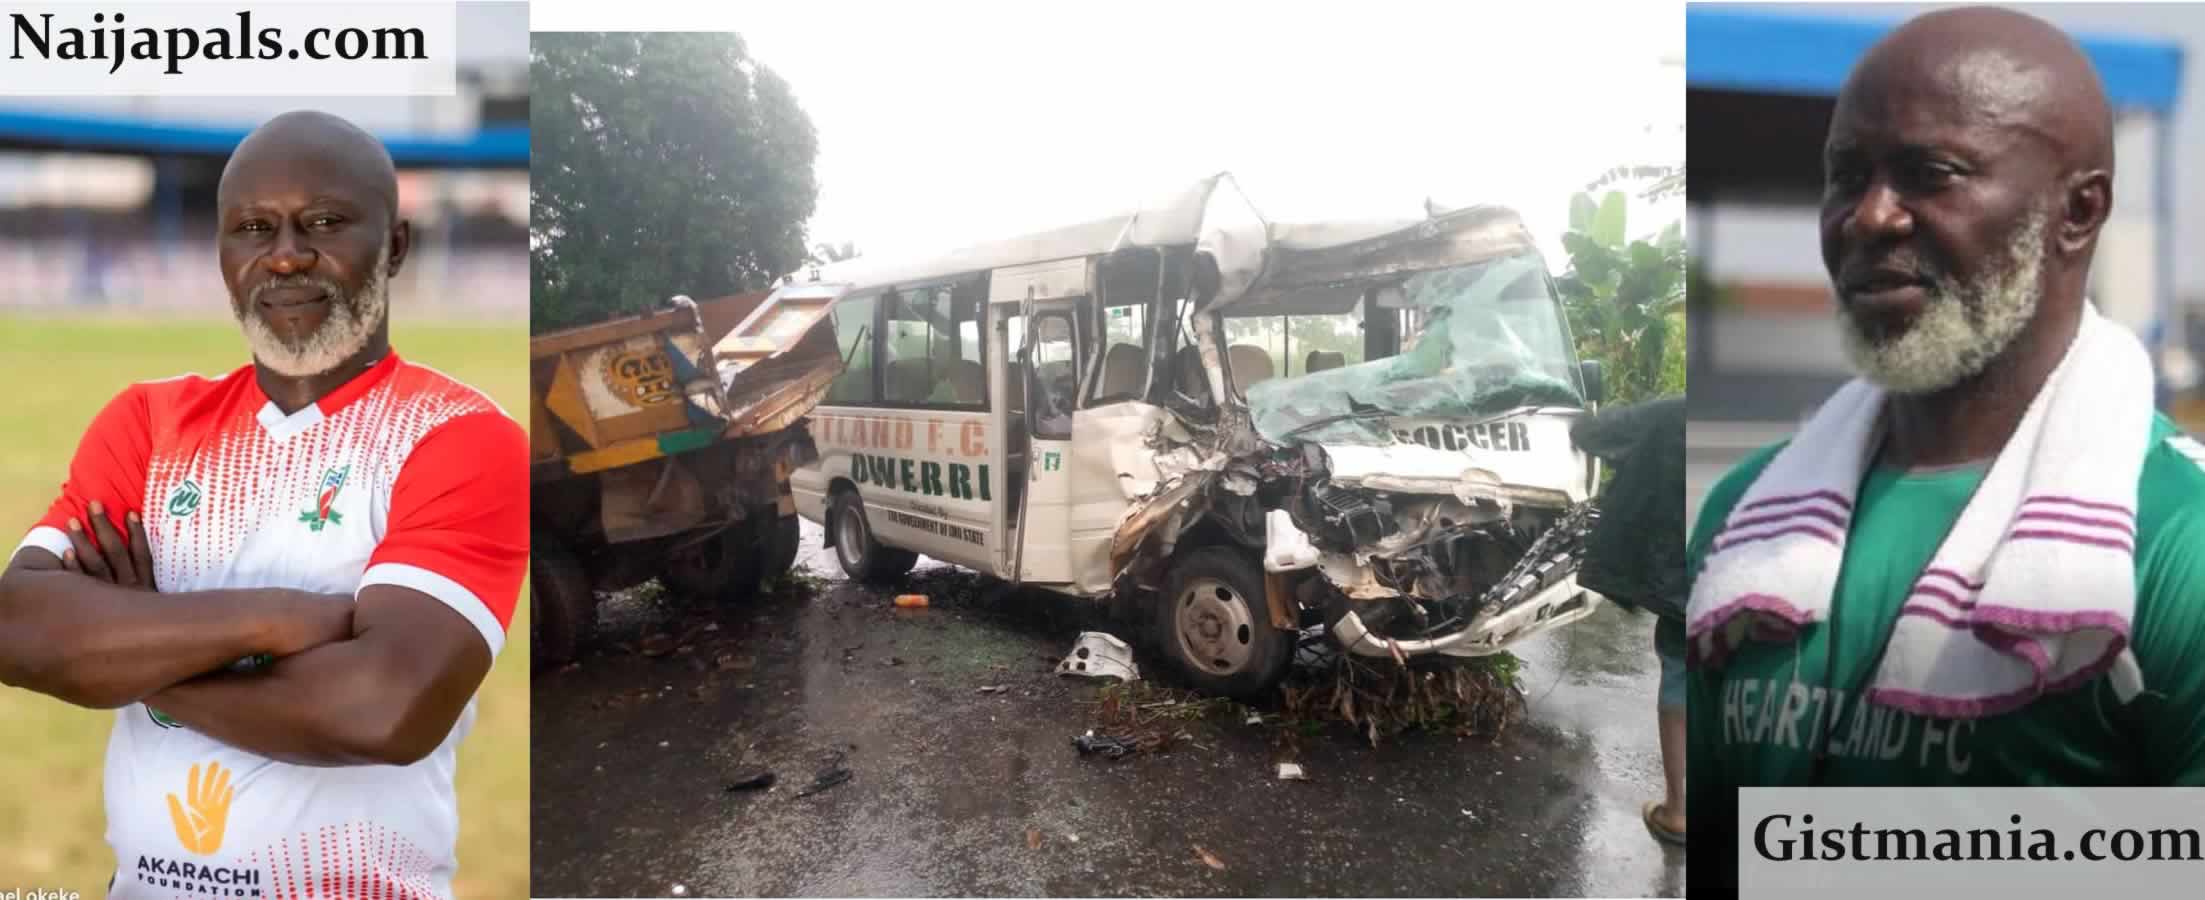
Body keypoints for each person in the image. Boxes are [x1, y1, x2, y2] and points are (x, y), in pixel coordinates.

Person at [1685, 7, 2205, 893]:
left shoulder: (2171, 542)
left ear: (2076, 213)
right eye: (1844, 176)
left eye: (1930, 175)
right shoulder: (1745, 517)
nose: (1869, 218)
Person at [0, 111, 527, 899]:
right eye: (252, 228)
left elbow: (385, 709)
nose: (284, 255)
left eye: (324, 222)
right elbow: (17, 628)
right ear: (222, 255)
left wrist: (132, 653)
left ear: (395, 247)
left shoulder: (458, 438)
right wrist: (281, 620)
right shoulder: (147, 422)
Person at [1570, 394, 1687, 847]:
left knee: (1680, 671)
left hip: (1689, 575)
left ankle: (1678, 811)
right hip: (1766, 579)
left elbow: (1594, 434)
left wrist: (1585, 410)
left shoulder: (1675, 413)